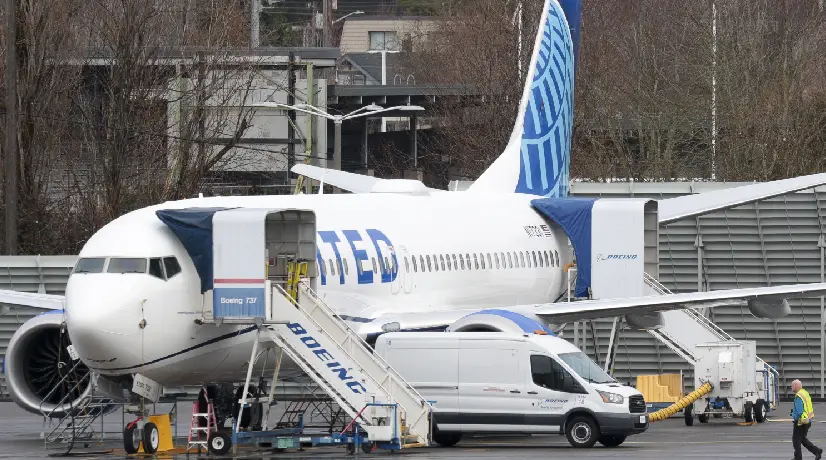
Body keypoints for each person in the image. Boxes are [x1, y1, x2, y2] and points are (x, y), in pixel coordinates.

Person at [791, 379, 823, 460]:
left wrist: (794, 416)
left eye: (792, 386)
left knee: (796, 440)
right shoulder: (805, 393)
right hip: (807, 420)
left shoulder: (798, 396)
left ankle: (798, 458)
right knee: (802, 439)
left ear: (795, 386)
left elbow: (799, 411)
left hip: (801, 422)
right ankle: (817, 451)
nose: (791, 387)